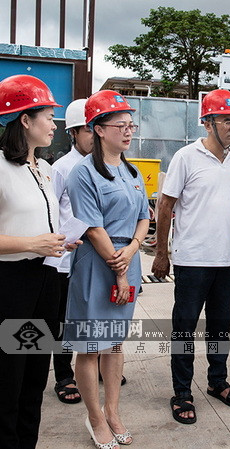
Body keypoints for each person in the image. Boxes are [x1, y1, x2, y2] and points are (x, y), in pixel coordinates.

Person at [152, 89, 230, 425]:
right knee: (184, 327)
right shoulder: (186, 157)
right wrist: (162, 253)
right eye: (226, 120)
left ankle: (217, 381)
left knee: (221, 326)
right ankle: (181, 393)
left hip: (228, 260)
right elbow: (165, 206)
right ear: (208, 123)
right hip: (192, 261)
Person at [64, 90, 149, 448]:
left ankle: (113, 411)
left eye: (131, 125)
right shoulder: (82, 173)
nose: (128, 131)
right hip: (97, 264)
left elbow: (145, 217)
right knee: (89, 346)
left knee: (114, 342)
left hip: (126, 259)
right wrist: (118, 266)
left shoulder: (131, 170)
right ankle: (95, 417)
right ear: (98, 129)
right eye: (121, 125)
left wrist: (130, 251)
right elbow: (93, 227)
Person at [0, 74, 67, 449]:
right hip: (12, 286)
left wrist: (55, 243)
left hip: (45, 283)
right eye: (47, 116)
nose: (53, 124)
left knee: (34, 380)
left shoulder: (43, 169)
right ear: (25, 119)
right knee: (9, 380)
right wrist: (33, 243)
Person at [45, 99, 92, 404]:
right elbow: (50, 212)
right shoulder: (61, 168)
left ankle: (97, 366)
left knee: (93, 317)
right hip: (65, 259)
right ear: (74, 133)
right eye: (87, 129)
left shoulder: (106, 166)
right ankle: (64, 375)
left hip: (95, 258)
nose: (93, 134)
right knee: (62, 322)